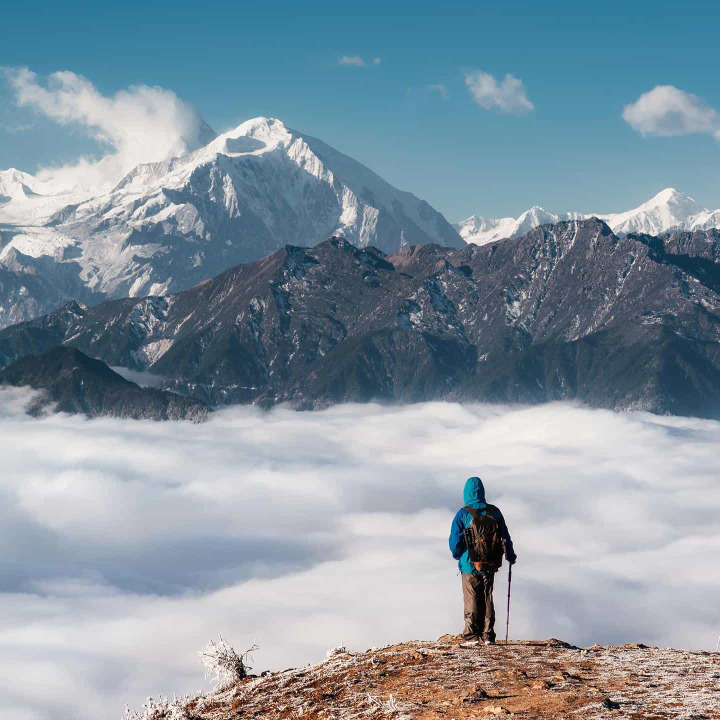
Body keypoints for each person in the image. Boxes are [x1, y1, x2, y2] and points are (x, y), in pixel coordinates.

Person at [448, 476, 516, 645]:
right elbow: (504, 536)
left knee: (472, 598)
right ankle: (488, 635)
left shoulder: (463, 514)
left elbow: (455, 542)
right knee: (487, 597)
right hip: (490, 563)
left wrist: (458, 556)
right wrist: (510, 555)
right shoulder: (494, 512)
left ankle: (472, 635)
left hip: (469, 564)